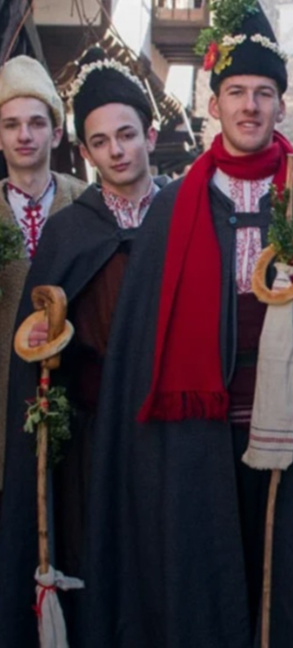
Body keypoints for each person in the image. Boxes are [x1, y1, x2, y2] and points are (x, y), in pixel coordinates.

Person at [72, 3, 293, 644]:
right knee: (209, 586)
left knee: (289, 577)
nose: (250, 106)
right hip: (199, 443)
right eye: (236, 92)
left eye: (264, 94)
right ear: (214, 105)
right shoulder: (171, 210)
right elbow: (140, 351)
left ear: (281, 105)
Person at [0, 46, 169, 645]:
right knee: (102, 565)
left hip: (170, 431)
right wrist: (48, 341)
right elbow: (44, 339)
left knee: (165, 566)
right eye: (100, 142)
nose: (116, 151)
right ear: (87, 151)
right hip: (95, 441)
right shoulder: (75, 228)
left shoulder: (183, 217)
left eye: (126, 135)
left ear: (150, 134)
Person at [0, 55, 86, 495]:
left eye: (36, 123)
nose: (24, 135)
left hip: (76, 389)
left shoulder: (88, 204)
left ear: (55, 132)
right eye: (11, 124)